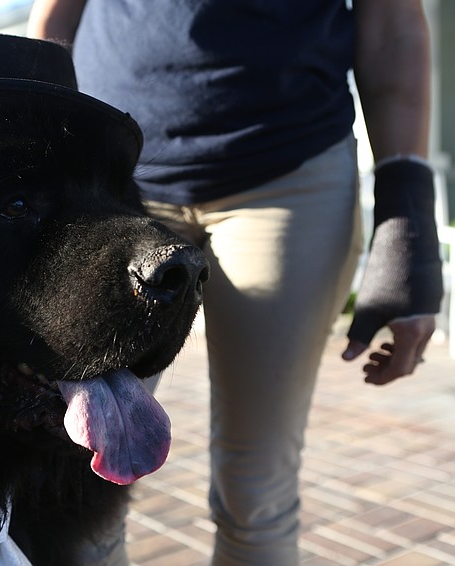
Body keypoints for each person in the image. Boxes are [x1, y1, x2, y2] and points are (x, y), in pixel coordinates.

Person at [28, 1, 443, 565]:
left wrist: (408, 216)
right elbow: (54, 18)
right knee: (75, 479)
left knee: (256, 489)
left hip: (286, 175)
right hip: (112, 181)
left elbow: (392, 24)